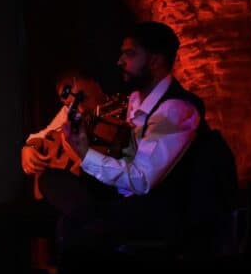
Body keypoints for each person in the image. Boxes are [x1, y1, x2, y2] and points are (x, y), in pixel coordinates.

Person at [38, 21, 203, 255]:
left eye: (130, 54)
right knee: (48, 182)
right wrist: (84, 148)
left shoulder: (176, 110)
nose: (120, 61)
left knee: (73, 225)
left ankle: (87, 222)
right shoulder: (135, 100)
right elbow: (126, 158)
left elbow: (142, 180)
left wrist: (85, 154)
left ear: (155, 61)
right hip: (120, 198)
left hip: (153, 213)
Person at [0, 70, 111, 274]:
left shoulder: (118, 113)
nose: (71, 102)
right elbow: (43, 135)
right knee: (6, 215)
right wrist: (29, 148)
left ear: (93, 84)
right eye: (65, 98)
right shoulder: (70, 112)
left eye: (75, 93)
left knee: (60, 199)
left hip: (101, 195)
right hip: (69, 198)